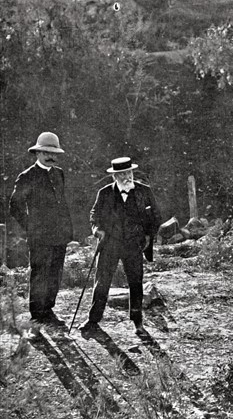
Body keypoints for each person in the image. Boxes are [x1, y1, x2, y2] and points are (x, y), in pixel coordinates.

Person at [80, 157, 161, 335]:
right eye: (121, 174)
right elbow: (94, 214)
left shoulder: (144, 191)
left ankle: (137, 322)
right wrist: (96, 230)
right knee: (102, 282)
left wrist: (148, 235)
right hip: (109, 244)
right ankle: (93, 320)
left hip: (134, 244)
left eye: (128, 173)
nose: (126, 177)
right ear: (114, 176)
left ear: (132, 173)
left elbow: (156, 216)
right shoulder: (104, 193)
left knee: (135, 282)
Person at [9, 132, 73, 325]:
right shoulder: (27, 177)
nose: (50, 156)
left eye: (53, 153)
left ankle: (49, 310)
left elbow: (61, 204)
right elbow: (15, 206)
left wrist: (66, 228)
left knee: (55, 272)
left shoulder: (58, 173)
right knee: (40, 274)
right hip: (39, 237)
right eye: (45, 152)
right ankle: (37, 315)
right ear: (37, 153)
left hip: (59, 235)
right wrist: (31, 227)